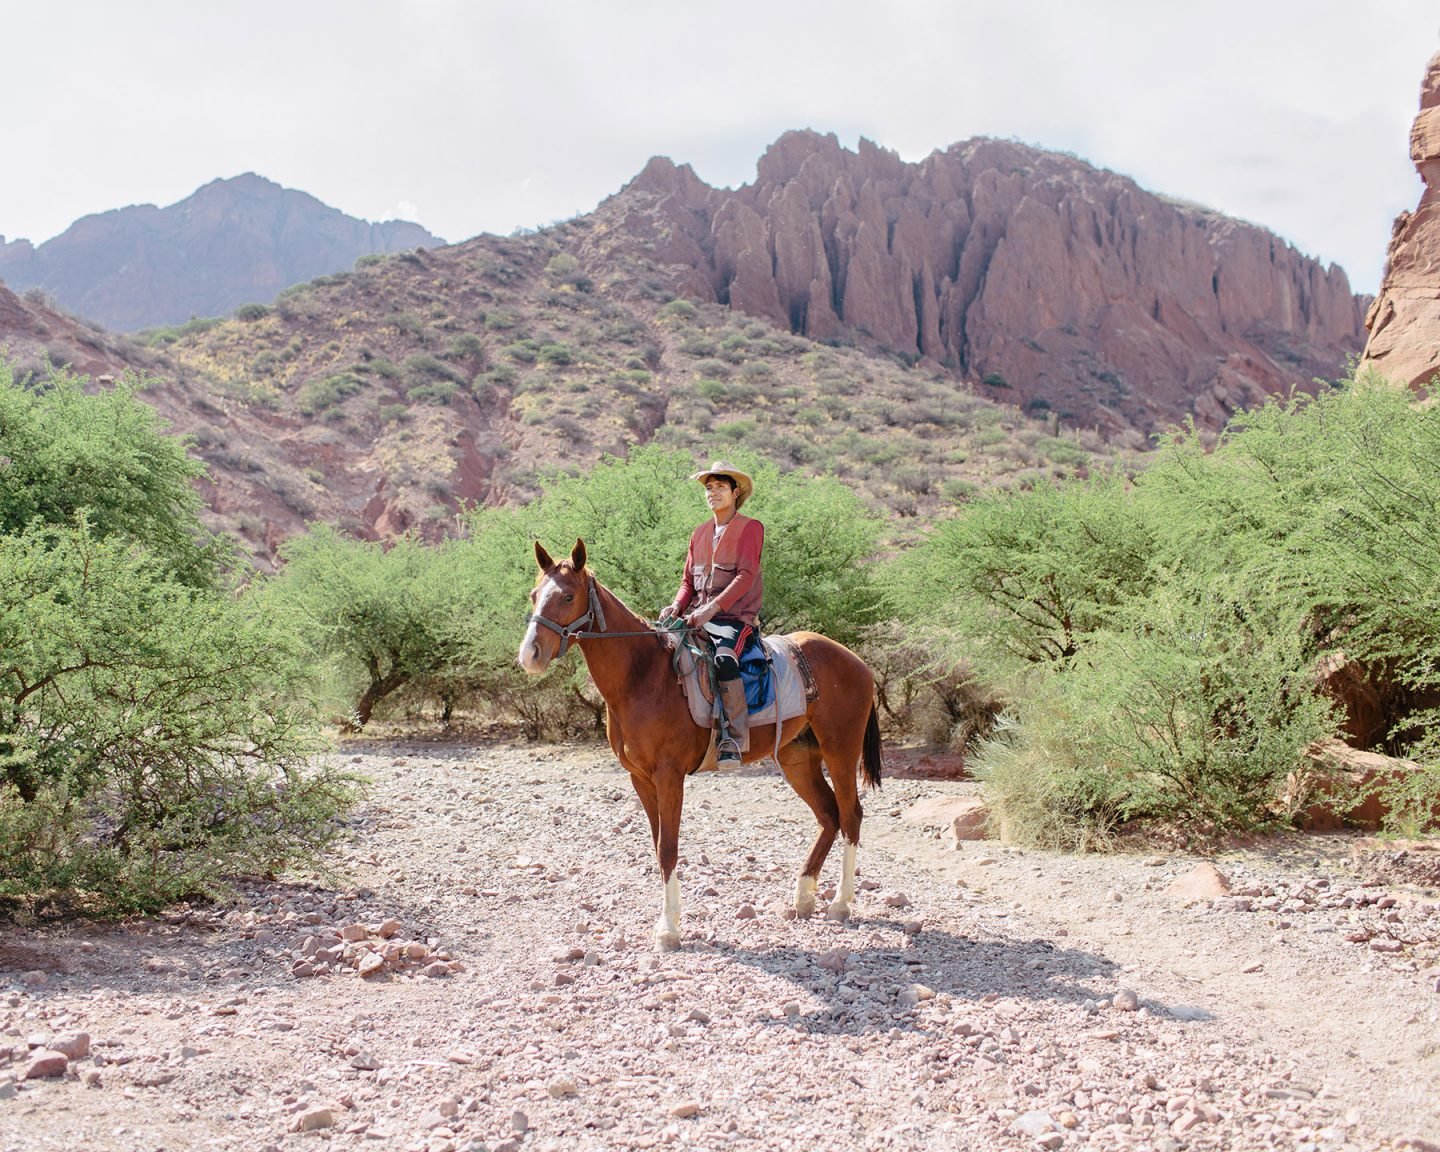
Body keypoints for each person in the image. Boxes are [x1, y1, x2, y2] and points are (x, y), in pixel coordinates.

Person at [658, 461, 764, 769]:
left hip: (734, 619)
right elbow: (688, 582)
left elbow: (745, 576)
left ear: (735, 492)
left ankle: (733, 738)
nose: (712, 493)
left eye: (719, 487)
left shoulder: (750, 528)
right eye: (708, 488)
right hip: (695, 617)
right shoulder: (699, 533)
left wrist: (710, 609)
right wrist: (677, 606)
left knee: (724, 660)